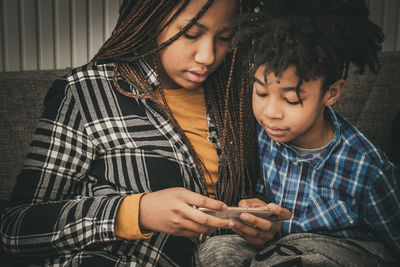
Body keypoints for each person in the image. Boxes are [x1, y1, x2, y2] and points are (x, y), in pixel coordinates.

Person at [0, 0, 290, 266]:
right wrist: (135, 212)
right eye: (190, 33)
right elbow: (16, 229)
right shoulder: (86, 92)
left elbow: (249, 196)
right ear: (150, 19)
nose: (207, 56)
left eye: (224, 37)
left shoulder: (241, 98)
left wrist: (258, 223)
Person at [196, 0, 400, 266]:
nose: (271, 112)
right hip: (280, 244)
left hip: (342, 250)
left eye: (291, 100)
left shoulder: (368, 169)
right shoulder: (263, 135)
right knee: (216, 251)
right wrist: (257, 209)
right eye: (261, 92)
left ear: (331, 93)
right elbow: (263, 195)